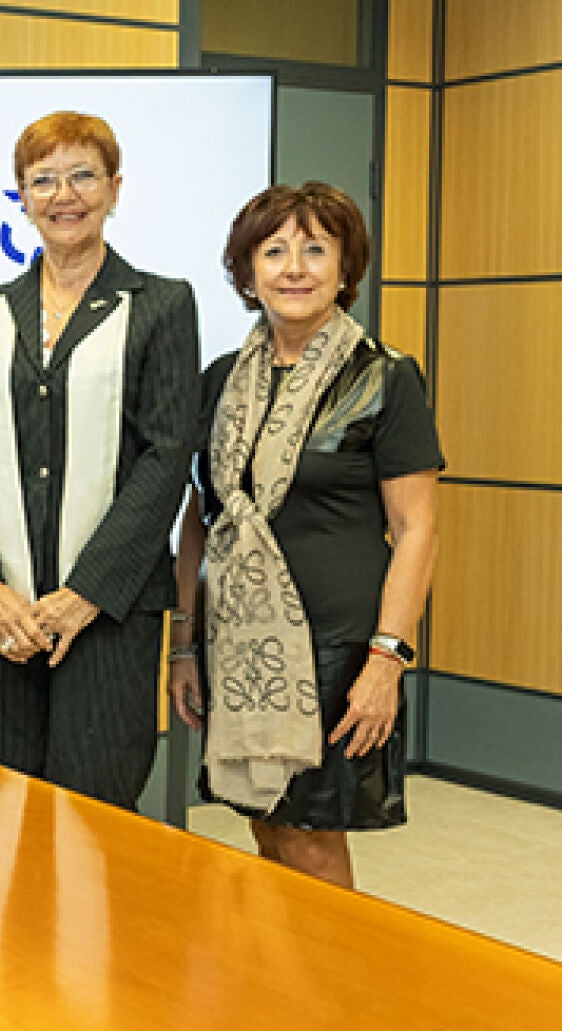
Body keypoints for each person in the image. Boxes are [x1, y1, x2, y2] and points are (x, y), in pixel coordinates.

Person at [169, 182, 440, 888]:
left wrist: (387, 659)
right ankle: (285, 963)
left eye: (315, 250)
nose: (294, 268)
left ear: (345, 269)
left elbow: (416, 528)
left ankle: (336, 966)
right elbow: (202, 518)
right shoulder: (221, 381)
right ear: (247, 271)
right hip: (237, 643)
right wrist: (185, 644)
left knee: (311, 840)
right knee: (263, 823)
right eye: (274, 251)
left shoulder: (384, 377)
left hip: (339, 651)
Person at [0, 110, 200, 808]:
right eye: (43, 180)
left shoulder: (161, 305)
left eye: (83, 175)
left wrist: (85, 595)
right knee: (10, 810)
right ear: (22, 197)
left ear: (115, 188)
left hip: (109, 613)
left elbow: (166, 458)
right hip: (7, 618)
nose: (64, 195)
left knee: (94, 814)